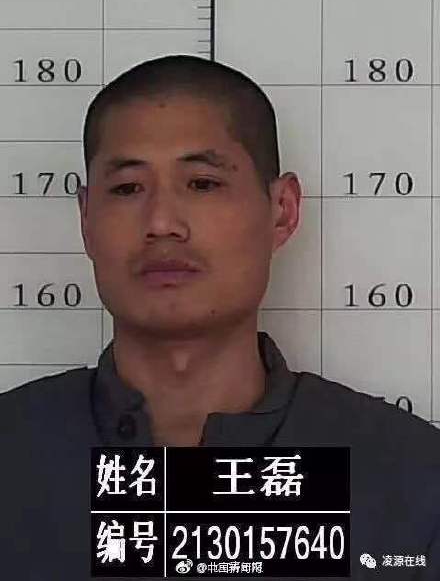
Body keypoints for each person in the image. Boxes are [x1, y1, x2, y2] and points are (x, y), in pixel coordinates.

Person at [0, 55, 439, 580]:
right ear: (86, 219)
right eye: (127, 188)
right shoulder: (14, 457)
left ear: (282, 210)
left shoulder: (409, 480)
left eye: (202, 184)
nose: (162, 223)